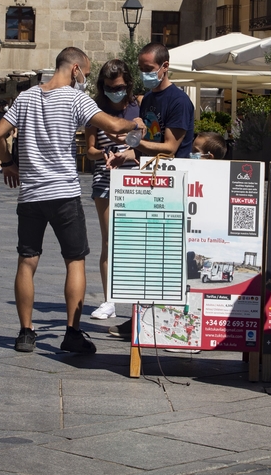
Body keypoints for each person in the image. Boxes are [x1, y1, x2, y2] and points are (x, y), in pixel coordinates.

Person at [0, 46, 145, 355]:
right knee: (74, 260)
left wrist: (8, 163)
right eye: (86, 74)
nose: (86, 80)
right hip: (63, 192)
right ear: (75, 69)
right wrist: (135, 125)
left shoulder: (25, 98)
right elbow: (113, 126)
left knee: (27, 260)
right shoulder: (76, 98)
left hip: (31, 193)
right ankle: (72, 333)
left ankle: (25, 332)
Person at [105, 41, 194, 337]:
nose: (144, 75)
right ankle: (140, 320)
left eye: (149, 69)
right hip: (151, 182)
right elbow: (146, 149)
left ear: (164, 67)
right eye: (141, 69)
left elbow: (168, 148)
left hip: (174, 185)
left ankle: (173, 325)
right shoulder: (148, 101)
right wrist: (125, 155)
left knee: (169, 261)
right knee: (147, 258)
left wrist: (134, 143)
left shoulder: (178, 102)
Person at [85, 59, 141, 321]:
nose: (113, 91)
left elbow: (149, 141)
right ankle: (109, 301)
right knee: (109, 240)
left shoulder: (138, 106)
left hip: (136, 179)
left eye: (117, 86)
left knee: (136, 241)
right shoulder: (95, 109)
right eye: (108, 87)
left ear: (127, 84)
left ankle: (139, 299)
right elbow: (90, 149)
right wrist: (106, 152)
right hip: (105, 177)